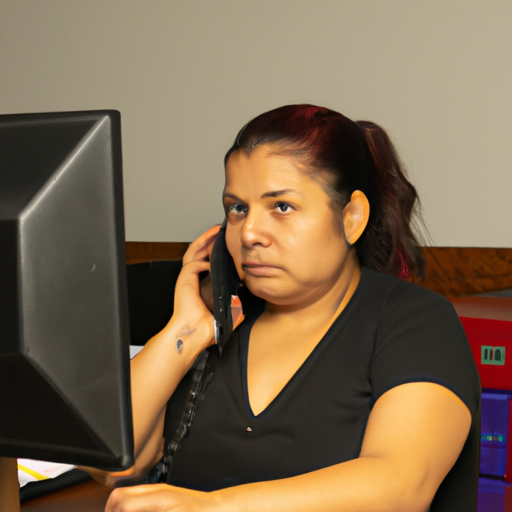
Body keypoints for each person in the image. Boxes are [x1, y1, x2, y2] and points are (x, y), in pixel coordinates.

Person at [104, 104, 480, 512]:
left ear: (351, 217)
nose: (249, 233)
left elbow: (401, 486)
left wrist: (208, 507)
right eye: (238, 208)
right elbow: (111, 466)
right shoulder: (219, 325)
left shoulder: (415, 321)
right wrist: (184, 331)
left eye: (281, 207)